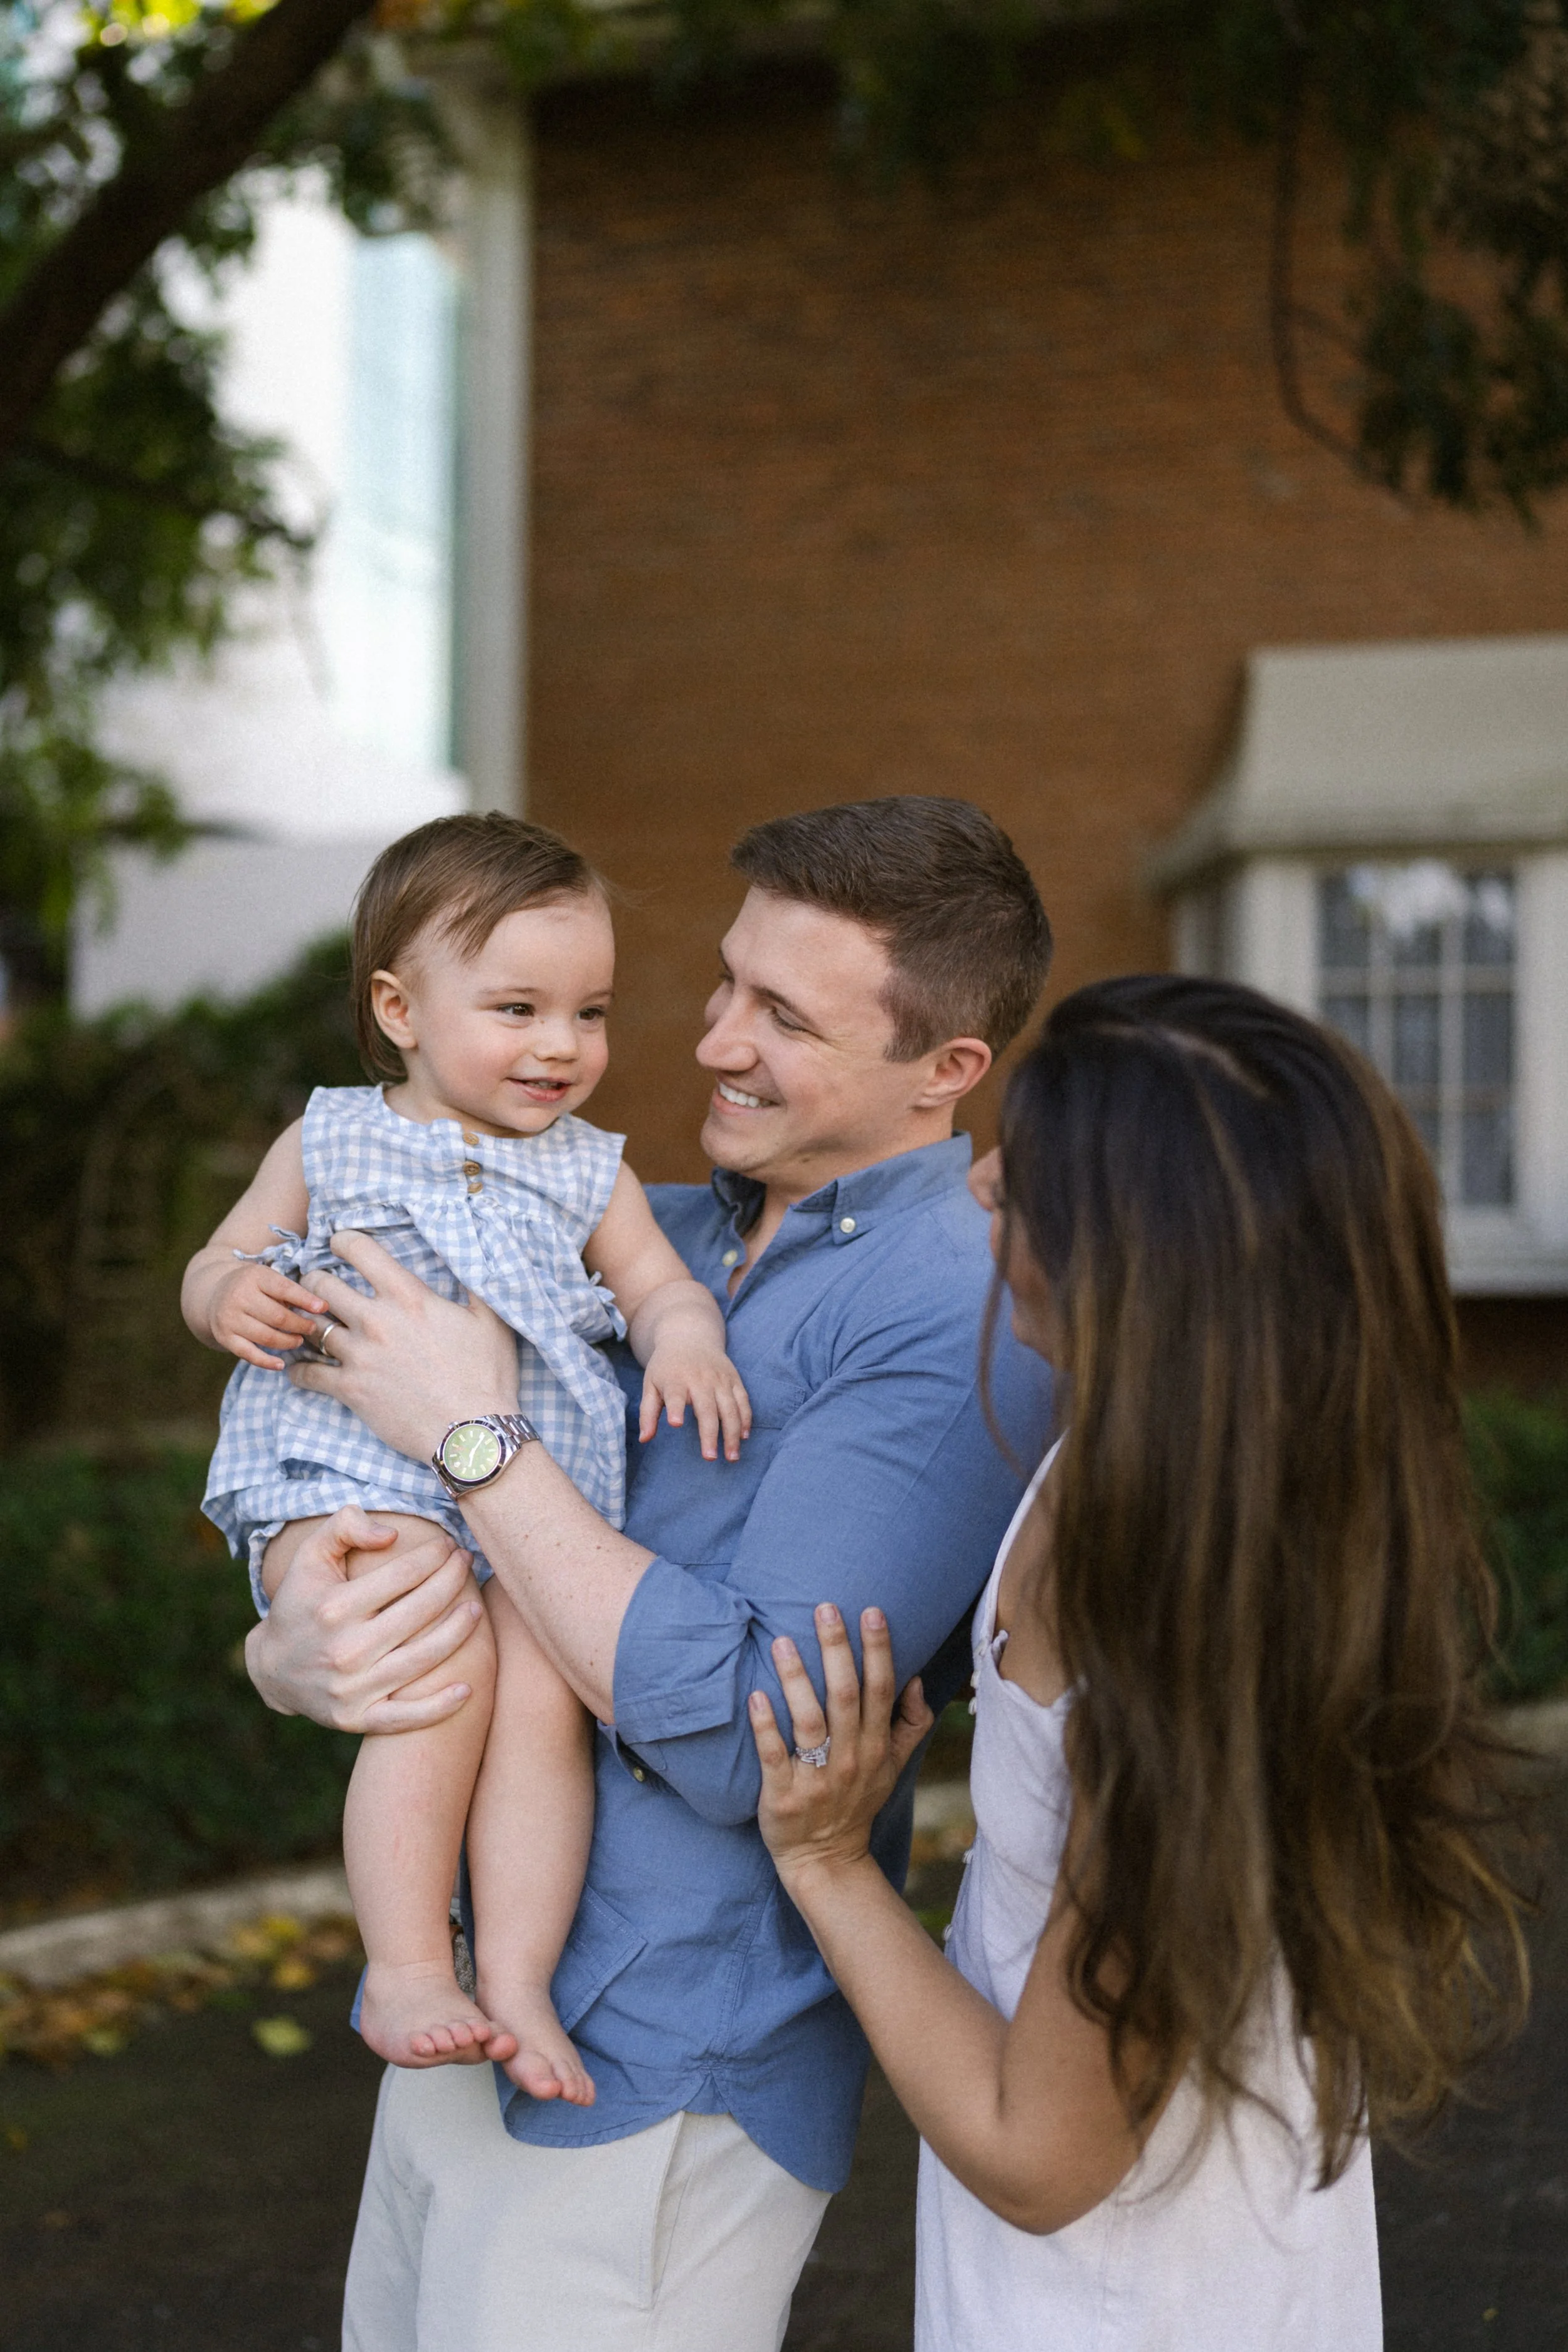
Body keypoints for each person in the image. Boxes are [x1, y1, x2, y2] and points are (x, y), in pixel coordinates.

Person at [244, 795, 1056, 2352]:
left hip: (670, 2060)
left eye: (784, 1018)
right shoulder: (642, 1230)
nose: (712, 1044)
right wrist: (287, 1641)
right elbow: (338, 1457)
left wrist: (478, 1438)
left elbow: (767, 1728)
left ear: (944, 1071)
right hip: (468, 2001)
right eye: (726, 985)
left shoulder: (957, 1312)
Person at [750, 973, 1531, 2352]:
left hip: (1124, 2303)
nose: (983, 1182)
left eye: (1034, 1173)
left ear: (1135, 1260)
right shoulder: (1253, 1477)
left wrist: (826, 1867)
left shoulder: (1157, 1620)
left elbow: (1038, 2152)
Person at [183, 815, 751, 2103]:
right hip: (346, 1479)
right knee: (434, 1687)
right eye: (517, 1007)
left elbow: (659, 1285)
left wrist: (683, 1340)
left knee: (543, 1710)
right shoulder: (326, 1138)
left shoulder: (590, 1171)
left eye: (589, 1011)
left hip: (515, 1497)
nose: (560, 1046)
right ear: (399, 1006)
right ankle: (402, 1967)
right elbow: (215, 1260)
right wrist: (225, 1299)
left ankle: (515, 1982)